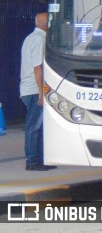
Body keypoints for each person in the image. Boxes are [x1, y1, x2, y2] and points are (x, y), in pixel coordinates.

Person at [20, 12, 56, 171]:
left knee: (39, 126)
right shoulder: (40, 40)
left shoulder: (29, 38)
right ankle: (32, 161)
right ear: (45, 24)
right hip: (35, 89)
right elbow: (37, 67)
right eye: (50, 22)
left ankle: (39, 160)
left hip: (29, 88)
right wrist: (41, 92)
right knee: (34, 126)